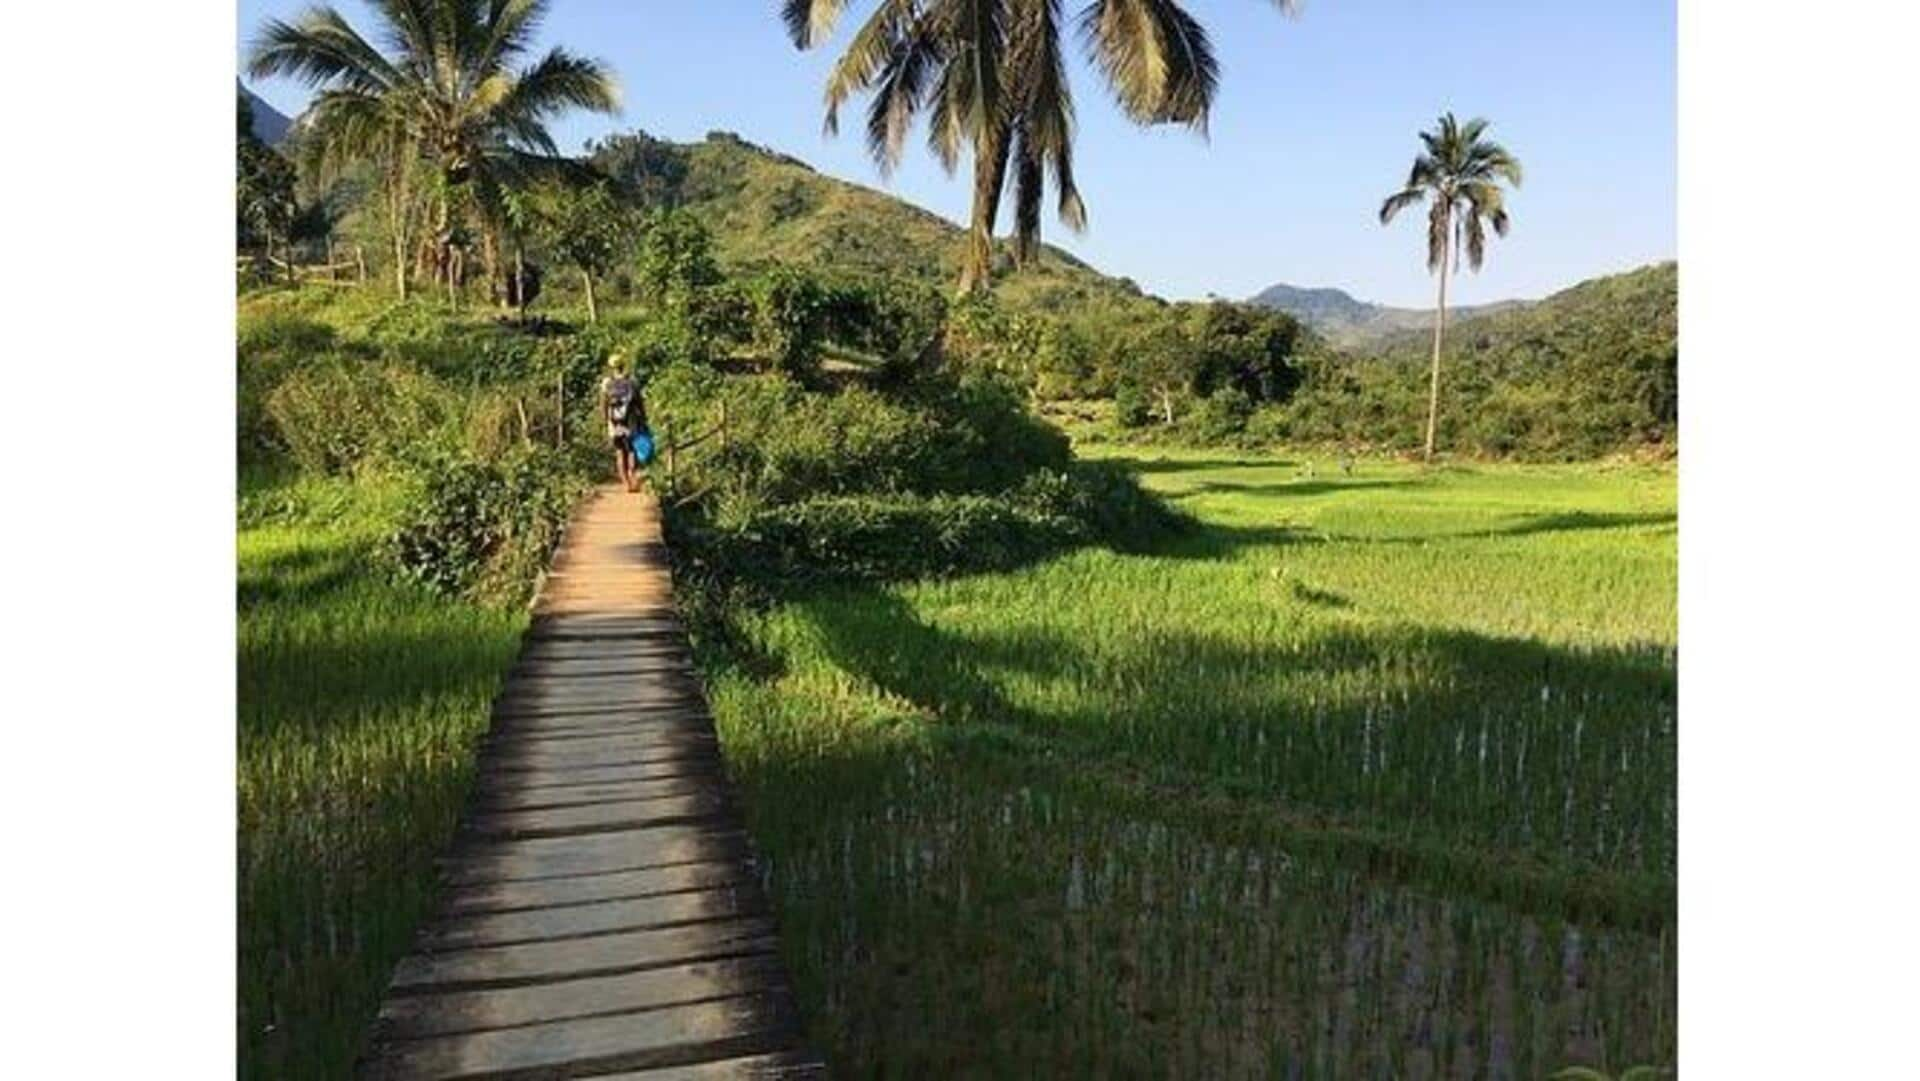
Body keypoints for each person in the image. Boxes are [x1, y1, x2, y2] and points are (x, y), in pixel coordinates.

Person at [599, 354, 652, 494]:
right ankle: (633, 476)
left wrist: (606, 421)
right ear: (623, 365)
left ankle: (626, 483)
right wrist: (644, 419)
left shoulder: (607, 383)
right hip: (631, 421)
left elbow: (603, 404)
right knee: (631, 450)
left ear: (611, 367)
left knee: (619, 451)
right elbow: (639, 403)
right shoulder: (632, 382)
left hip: (615, 422)